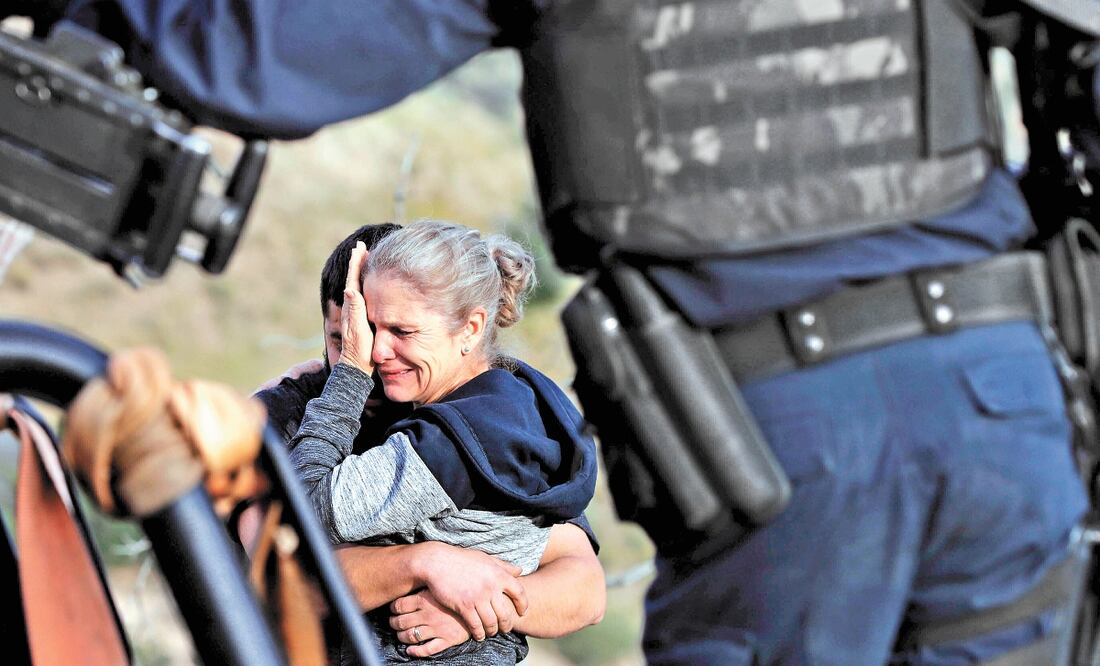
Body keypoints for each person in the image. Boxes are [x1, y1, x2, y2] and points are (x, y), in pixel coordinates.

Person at [23, 1, 1100, 663]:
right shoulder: (508, 421)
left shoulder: (454, 424)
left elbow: (252, 54)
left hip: (788, 439)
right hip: (1004, 401)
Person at [254, 222, 605, 658]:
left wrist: (480, 609)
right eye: (355, 335)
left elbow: (305, 512)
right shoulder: (520, 407)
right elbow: (279, 582)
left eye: (402, 332)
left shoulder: (454, 440)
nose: (375, 353)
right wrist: (427, 563)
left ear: (471, 329)